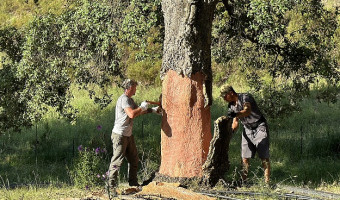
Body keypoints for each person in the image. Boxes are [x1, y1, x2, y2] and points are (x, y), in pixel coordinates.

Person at [220, 85, 270, 184]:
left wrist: (235, 114)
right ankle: (243, 181)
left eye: (225, 96)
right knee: (245, 157)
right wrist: (231, 132)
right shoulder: (231, 105)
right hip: (247, 128)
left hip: (259, 126)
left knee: (264, 156)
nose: (224, 98)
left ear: (231, 93)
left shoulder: (245, 97)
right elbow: (235, 122)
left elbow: (247, 111)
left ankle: (267, 182)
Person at [108, 79, 151, 189]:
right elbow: (132, 114)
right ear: (128, 88)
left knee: (134, 159)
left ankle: (133, 183)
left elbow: (139, 111)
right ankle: (110, 187)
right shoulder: (124, 100)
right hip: (120, 135)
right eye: (134, 87)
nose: (136, 89)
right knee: (117, 161)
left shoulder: (130, 100)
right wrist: (142, 107)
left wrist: (152, 110)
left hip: (128, 135)